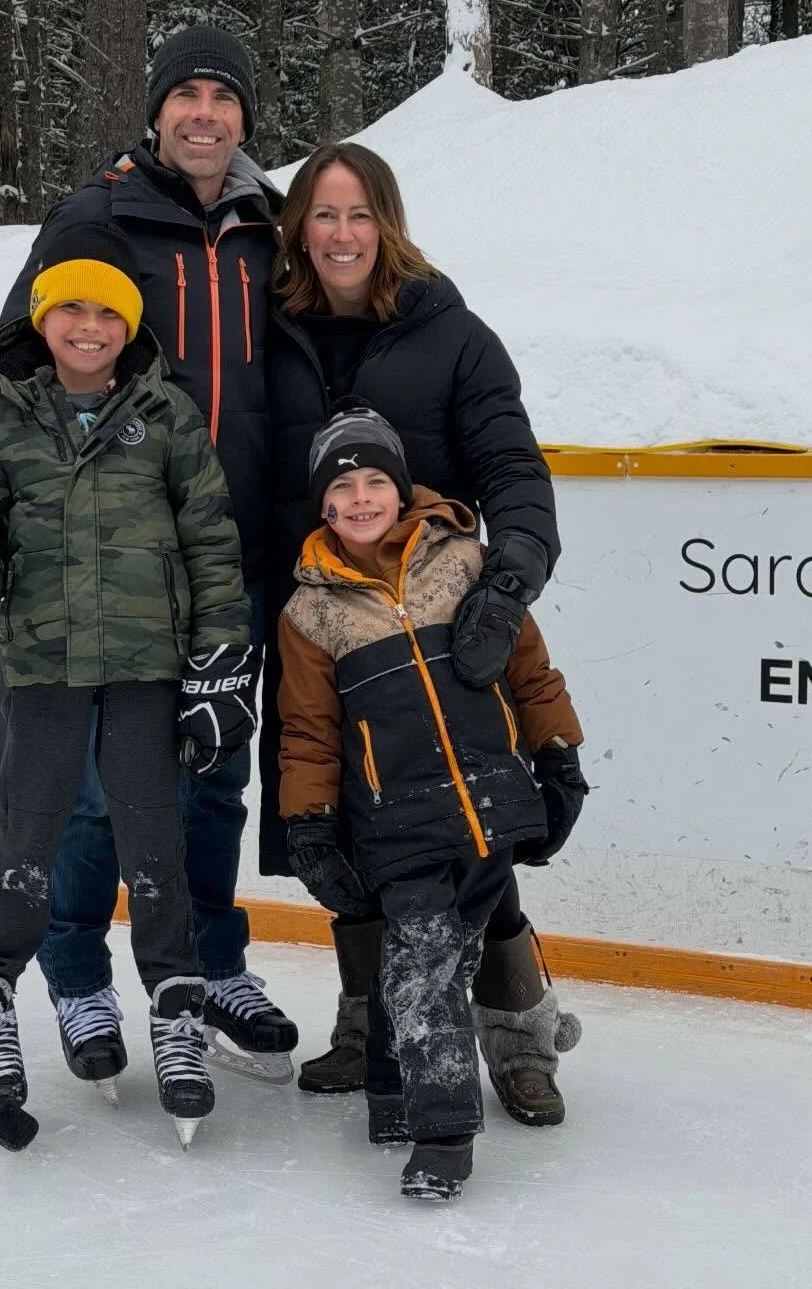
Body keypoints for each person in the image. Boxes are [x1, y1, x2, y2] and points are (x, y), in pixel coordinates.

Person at [0, 25, 298, 1084]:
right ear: (158, 110)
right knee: (84, 791)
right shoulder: (99, 213)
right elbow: (8, 356)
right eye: (188, 96)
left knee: (212, 778)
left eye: (226, 97)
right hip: (101, 555)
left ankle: (207, 967)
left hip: (233, 546)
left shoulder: (274, 226)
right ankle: (78, 977)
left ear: (247, 119)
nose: (206, 114)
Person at [0, 224, 259, 1146]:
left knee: (154, 834)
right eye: (71, 308)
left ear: (129, 326)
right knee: (31, 829)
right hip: (48, 664)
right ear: (42, 315)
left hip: (149, 667)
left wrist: (221, 660)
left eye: (108, 311)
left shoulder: (167, 414)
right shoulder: (2, 417)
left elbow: (212, 546)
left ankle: (176, 1004)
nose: (89, 326)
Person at [261, 141, 585, 1124]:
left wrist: (509, 583)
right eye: (323, 214)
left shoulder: (454, 334)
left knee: (465, 834)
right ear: (299, 228)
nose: (341, 234)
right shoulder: (268, 332)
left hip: (444, 635)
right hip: (320, 625)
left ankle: (519, 1031)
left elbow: (515, 474)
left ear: (388, 222)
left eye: (360, 214)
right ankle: (374, 1028)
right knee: (352, 838)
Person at [277, 406, 586, 1199]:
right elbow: (308, 732)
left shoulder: (466, 562)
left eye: (375, 480)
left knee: (460, 946)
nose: (361, 498)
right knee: (420, 965)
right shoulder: (310, 610)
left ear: (401, 486)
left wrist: (559, 757)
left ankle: (392, 1085)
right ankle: (442, 1130)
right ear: (323, 505)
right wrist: (308, 825)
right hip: (396, 819)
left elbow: (532, 672)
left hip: (489, 802)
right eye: (342, 487)